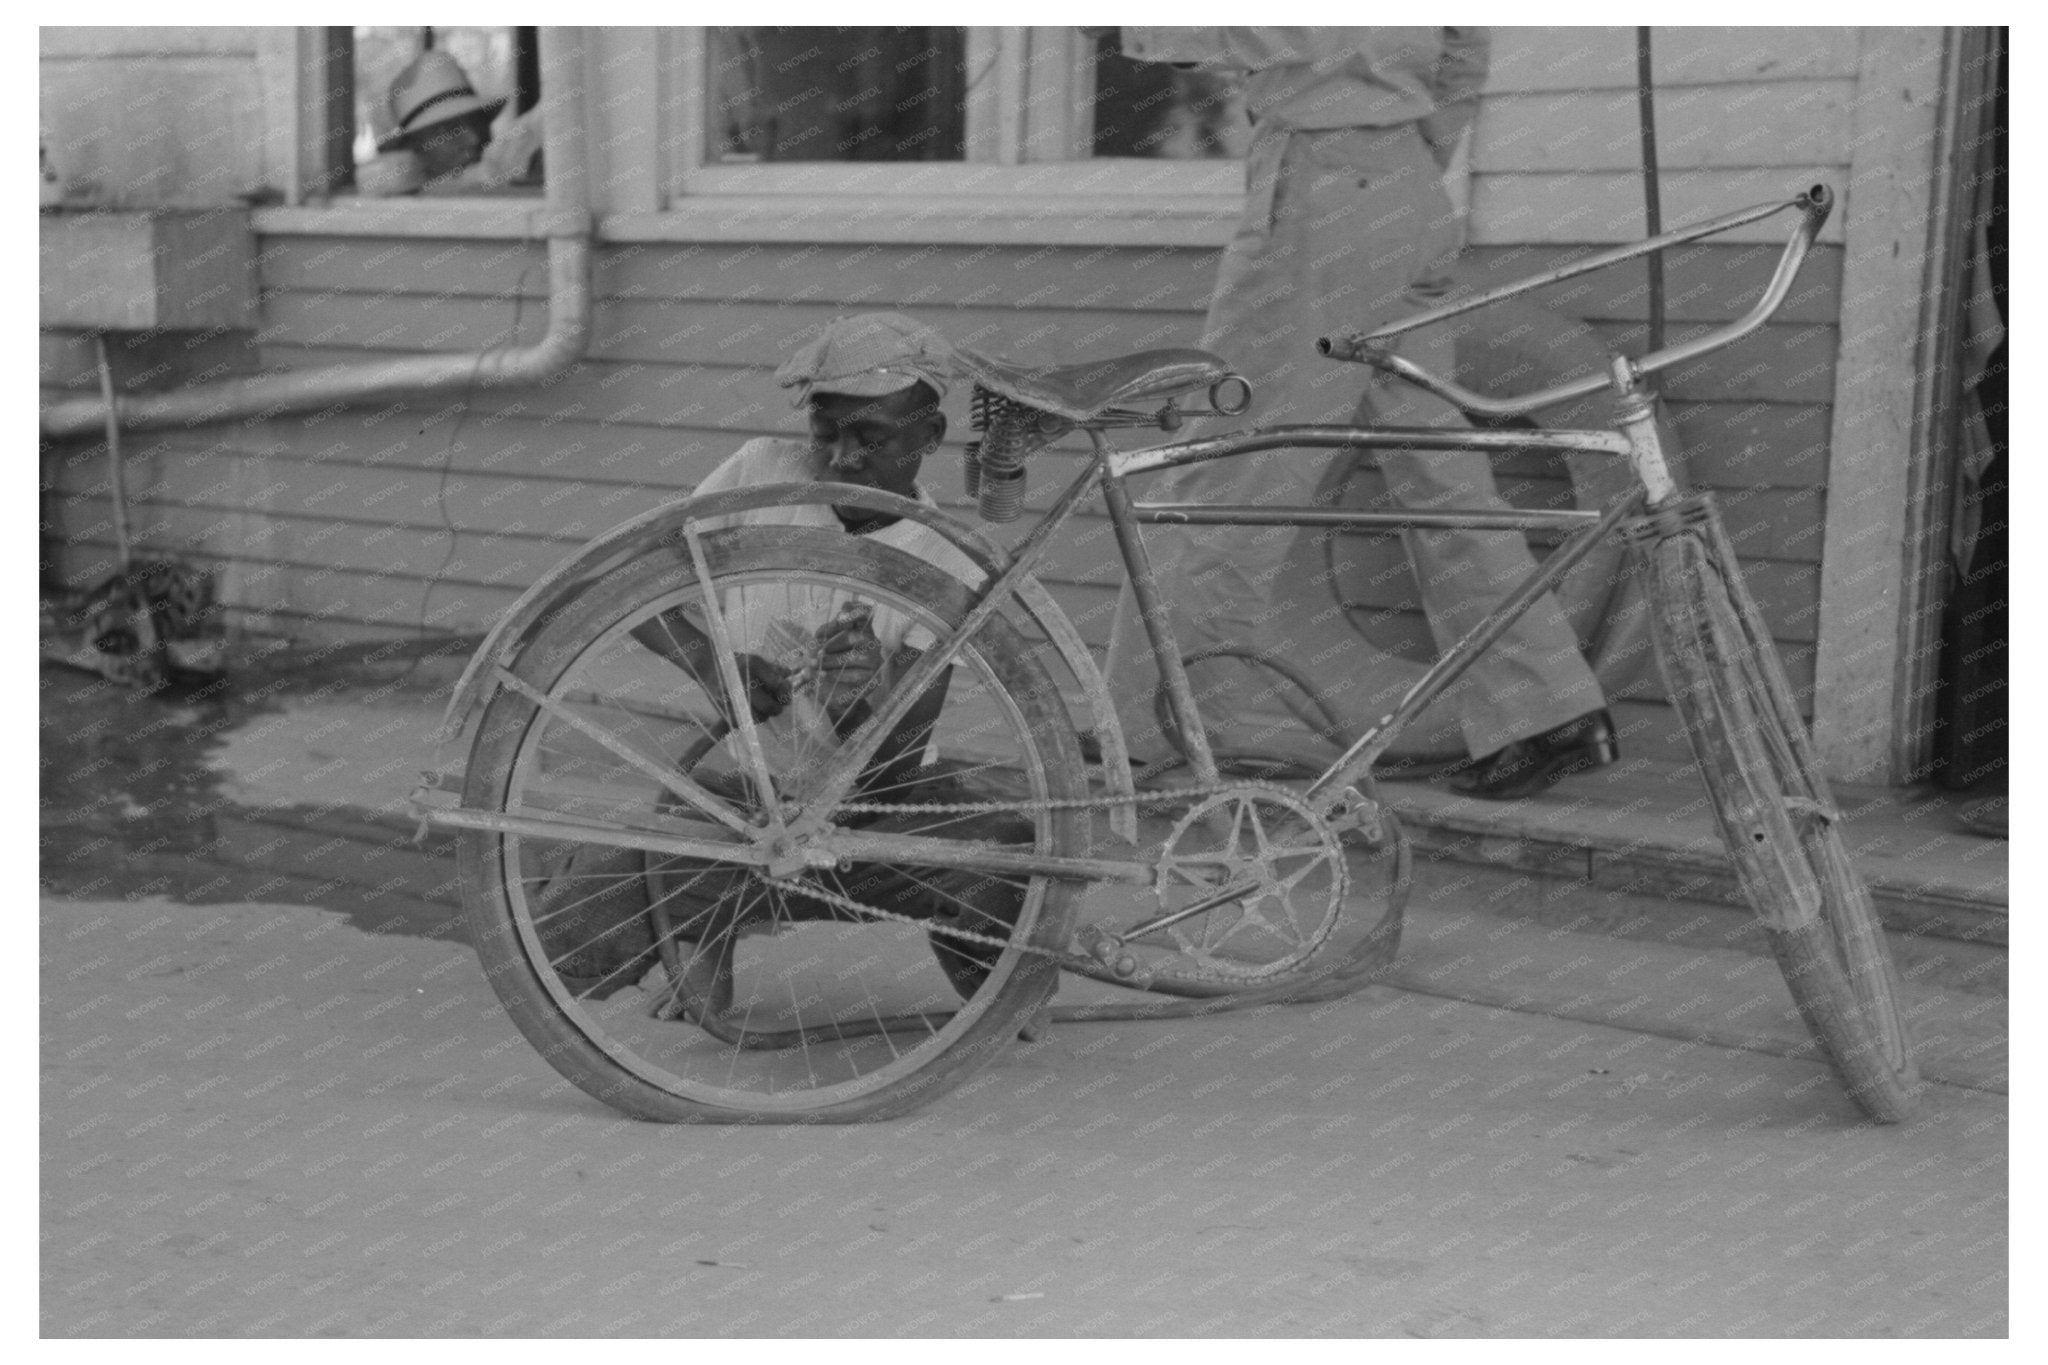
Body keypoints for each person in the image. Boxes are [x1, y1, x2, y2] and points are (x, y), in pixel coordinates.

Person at [1104, 27, 1618, 800]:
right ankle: (1543, 711)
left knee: (1235, 455)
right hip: (1404, 183)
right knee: (1437, 467)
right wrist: (1404, 153)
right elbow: (1461, 55)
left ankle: (1157, 732)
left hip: (1325, 189)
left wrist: (1139, 30)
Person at [532, 313, 1036, 1018]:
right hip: (736, 800)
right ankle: (701, 920)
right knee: (562, 951)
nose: (843, 460)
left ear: (928, 439)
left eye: (873, 438)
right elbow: (624, 585)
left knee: (1004, 851)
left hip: (868, 817)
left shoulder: (947, 563)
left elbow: (900, 754)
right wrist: (716, 666)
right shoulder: (764, 474)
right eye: (826, 434)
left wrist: (857, 700)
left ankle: (996, 969)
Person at [356, 49, 541, 197]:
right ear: (412, 145)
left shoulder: (506, 171)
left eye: (478, 121)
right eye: (451, 129)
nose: (473, 138)